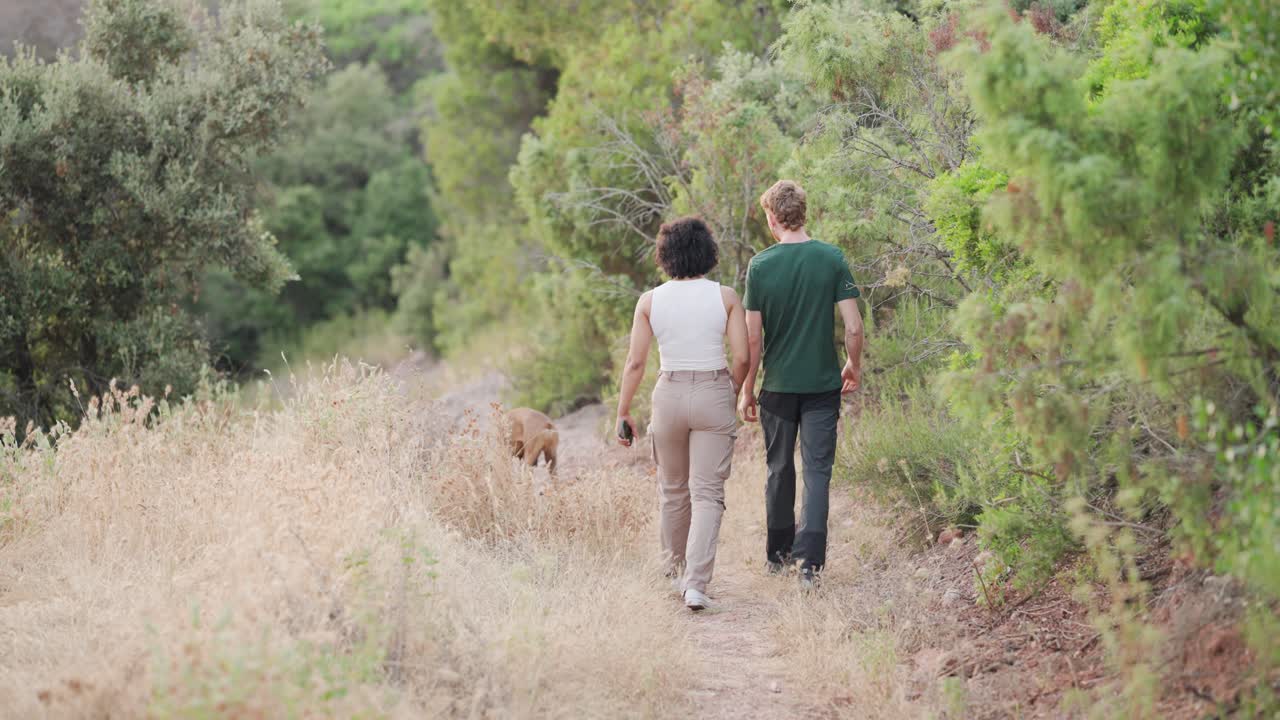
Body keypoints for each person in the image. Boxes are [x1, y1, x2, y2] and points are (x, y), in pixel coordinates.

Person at [616, 217, 750, 611]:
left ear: (665, 256)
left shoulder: (649, 301)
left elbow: (635, 363)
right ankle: (696, 586)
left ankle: (673, 573)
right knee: (707, 494)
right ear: (707, 252)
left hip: (669, 393)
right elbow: (742, 356)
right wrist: (730, 389)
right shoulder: (725, 297)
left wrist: (623, 410)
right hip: (713, 388)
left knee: (673, 490)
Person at [738, 180, 864, 590]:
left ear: (773, 218)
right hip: (822, 387)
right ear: (802, 213)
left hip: (777, 387)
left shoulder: (760, 266)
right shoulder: (831, 258)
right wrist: (853, 364)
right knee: (817, 472)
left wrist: (747, 387)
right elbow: (854, 326)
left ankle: (778, 558)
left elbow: (752, 339)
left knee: (778, 469)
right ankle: (809, 566)